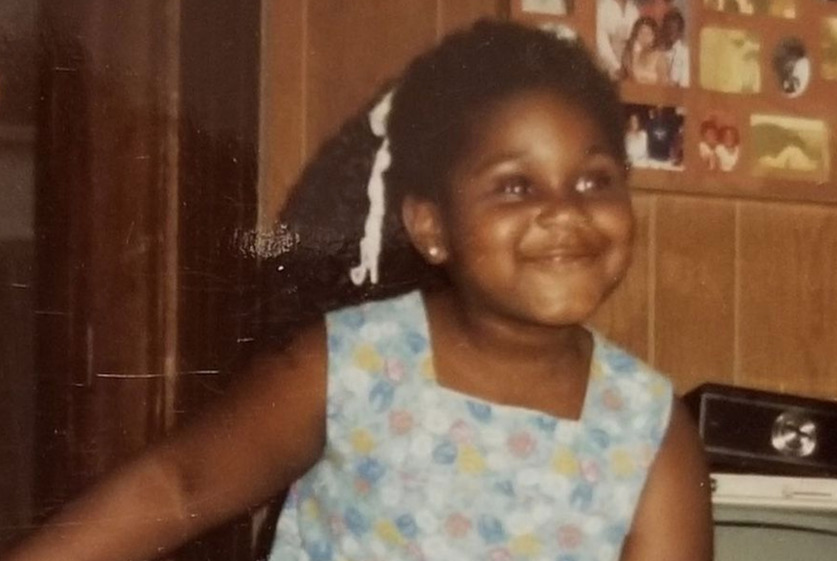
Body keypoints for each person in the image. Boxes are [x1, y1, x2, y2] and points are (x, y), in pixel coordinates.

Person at [5, 20, 712, 561]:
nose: (564, 210)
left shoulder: (647, 430)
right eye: (515, 186)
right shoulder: (353, 365)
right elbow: (179, 484)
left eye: (594, 179)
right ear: (431, 227)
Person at [597, 0, 641, 78]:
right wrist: (616, 66)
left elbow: (637, 40)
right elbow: (602, 40)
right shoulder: (604, 7)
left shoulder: (633, 10)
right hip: (608, 61)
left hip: (629, 63)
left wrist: (634, 65)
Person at [621, 17, 667, 84]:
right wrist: (634, 56)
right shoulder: (629, 54)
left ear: (654, 37)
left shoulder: (659, 57)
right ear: (636, 35)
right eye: (641, 33)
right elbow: (625, 79)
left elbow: (664, 84)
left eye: (648, 34)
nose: (644, 37)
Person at [660, 8, 690, 88]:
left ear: (681, 31)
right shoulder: (657, 51)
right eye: (667, 28)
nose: (670, 33)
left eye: (674, 29)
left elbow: (684, 85)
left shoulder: (684, 53)